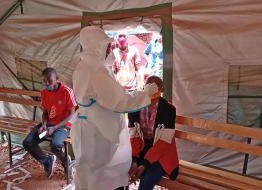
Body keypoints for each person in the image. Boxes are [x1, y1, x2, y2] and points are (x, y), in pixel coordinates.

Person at [70, 26, 158, 190]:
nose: (110, 49)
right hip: (99, 131)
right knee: (102, 176)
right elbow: (122, 101)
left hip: (88, 126)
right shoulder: (96, 72)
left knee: (90, 175)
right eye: (106, 46)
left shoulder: (82, 67)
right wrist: (148, 92)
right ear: (96, 47)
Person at [23, 67, 77, 178]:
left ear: (57, 79)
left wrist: (55, 127)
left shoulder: (67, 91)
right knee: (28, 142)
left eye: (50, 81)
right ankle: (47, 160)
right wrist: (43, 125)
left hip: (64, 125)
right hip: (48, 124)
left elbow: (72, 115)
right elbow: (45, 112)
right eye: (45, 82)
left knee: (55, 145)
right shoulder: (44, 92)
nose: (47, 84)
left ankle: (66, 162)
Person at [128, 76, 179, 190]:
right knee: (123, 169)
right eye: (149, 84)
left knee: (147, 177)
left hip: (162, 153)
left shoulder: (169, 110)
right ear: (144, 87)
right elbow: (134, 137)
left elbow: (163, 143)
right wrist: (135, 160)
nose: (151, 88)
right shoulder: (135, 109)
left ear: (161, 90)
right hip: (142, 150)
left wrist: (144, 164)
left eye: (155, 86)